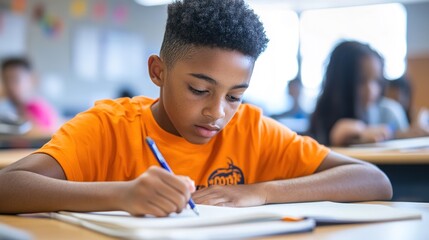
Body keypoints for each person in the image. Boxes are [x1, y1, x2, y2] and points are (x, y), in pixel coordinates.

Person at [0, 0, 392, 217]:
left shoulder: (252, 130)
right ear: (158, 71)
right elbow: (8, 187)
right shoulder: (109, 126)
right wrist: (121, 195)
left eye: (235, 96)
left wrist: (260, 192)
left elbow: (374, 180)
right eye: (199, 89)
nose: (217, 112)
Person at [308, 41, 429, 146]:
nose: (371, 89)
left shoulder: (389, 112)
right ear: (341, 83)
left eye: (376, 81)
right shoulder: (323, 116)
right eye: (361, 80)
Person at [0, 57, 59, 134]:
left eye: (16, 80)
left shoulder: (37, 107)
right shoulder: (10, 107)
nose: (10, 86)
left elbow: (43, 135)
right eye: (6, 80)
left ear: (32, 80)